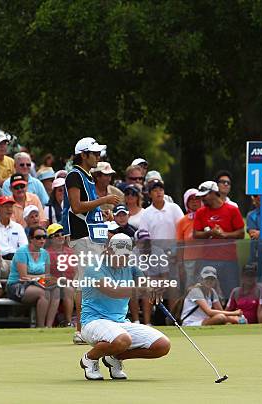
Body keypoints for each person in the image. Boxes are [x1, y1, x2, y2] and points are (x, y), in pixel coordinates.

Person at [78, 233, 171, 381]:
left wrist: (153, 289)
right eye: (119, 255)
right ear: (108, 250)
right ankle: (89, 359)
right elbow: (112, 291)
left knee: (162, 345)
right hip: (93, 322)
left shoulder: (132, 267)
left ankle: (115, 357)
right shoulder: (93, 268)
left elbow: (143, 284)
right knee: (123, 340)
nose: (123, 259)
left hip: (120, 323)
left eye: (126, 255)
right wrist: (141, 289)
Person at [62, 137, 117, 344]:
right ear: (83, 155)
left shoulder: (87, 177)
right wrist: (104, 200)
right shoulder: (74, 175)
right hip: (82, 235)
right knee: (85, 281)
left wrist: (102, 214)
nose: (97, 157)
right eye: (94, 154)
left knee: (89, 280)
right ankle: (81, 329)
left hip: (92, 234)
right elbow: (76, 207)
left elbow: (87, 208)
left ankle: (87, 326)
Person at [193, 181, 245, 297]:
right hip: (208, 259)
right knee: (205, 292)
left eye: (204, 196)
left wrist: (225, 235)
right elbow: (196, 234)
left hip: (229, 259)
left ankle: (232, 314)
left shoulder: (232, 210)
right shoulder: (201, 212)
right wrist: (211, 233)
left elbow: (241, 233)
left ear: (213, 193)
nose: (202, 199)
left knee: (231, 292)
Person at [6, 226, 60, 327]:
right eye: (38, 237)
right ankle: (40, 327)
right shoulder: (22, 251)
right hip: (17, 285)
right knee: (43, 293)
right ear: (31, 239)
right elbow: (23, 276)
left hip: (37, 283)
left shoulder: (45, 254)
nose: (42, 240)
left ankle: (49, 327)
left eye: (44, 237)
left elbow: (47, 276)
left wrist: (47, 279)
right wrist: (42, 277)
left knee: (56, 291)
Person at [0, 196, 28, 281]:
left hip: (16, 262)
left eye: (11, 207)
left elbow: (24, 246)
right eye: (6, 207)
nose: (9, 209)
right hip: (0, 260)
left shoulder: (18, 227)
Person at [45, 223, 76, 327]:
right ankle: (68, 322)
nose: (60, 237)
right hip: (55, 284)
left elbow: (77, 271)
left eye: (62, 234)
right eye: (56, 235)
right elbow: (47, 276)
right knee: (68, 289)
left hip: (72, 283)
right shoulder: (46, 253)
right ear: (50, 238)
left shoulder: (71, 252)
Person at [175, 189, 204, 288]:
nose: (195, 202)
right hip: (189, 262)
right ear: (186, 202)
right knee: (190, 288)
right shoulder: (182, 221)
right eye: (191, 200)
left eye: (197, 199)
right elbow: (179, 245)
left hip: (206, 259)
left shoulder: (207, 217)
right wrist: (180, 266)